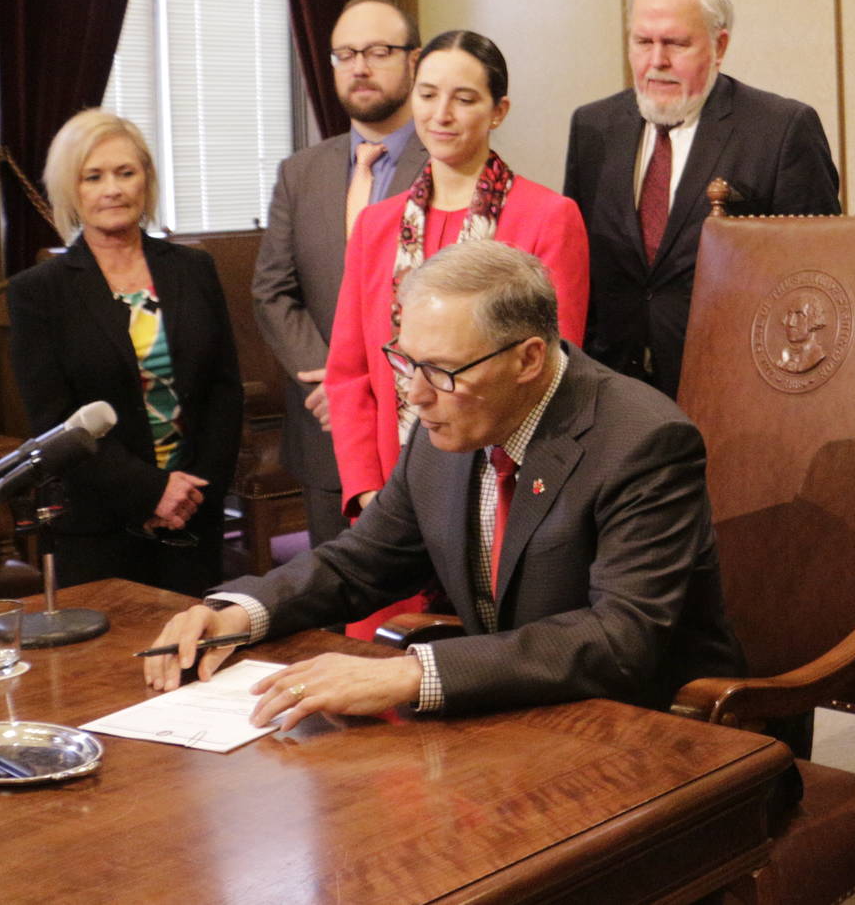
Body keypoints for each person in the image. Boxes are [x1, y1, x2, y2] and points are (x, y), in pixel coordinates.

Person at [144, 240, 744, 724]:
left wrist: (415, 671)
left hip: (652, 733)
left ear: (529, 359)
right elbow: (361, 562)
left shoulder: (642, 441)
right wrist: (239, 614)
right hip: (514, 722)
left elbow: (620, 640)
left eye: (440, 370)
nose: (414, 392)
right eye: (405, 361)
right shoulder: (451, 420)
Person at [326, 29, 588, 525]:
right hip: (390, 492)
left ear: (498, 111)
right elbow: (349, 372)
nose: (440, 115)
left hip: (504, 495)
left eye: (463, 99)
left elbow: (552, 374)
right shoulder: (375, 226)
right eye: (427, 95)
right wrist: (366, 492)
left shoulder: (549, 217)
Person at [564, 0, 841, 399]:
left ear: (719, 45)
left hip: (734, 390)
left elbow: (817, 278)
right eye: (643, 42)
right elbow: (580, 269)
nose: (657, 61)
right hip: (613, 389)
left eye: (676, 43)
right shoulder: (593, 128)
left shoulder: (780, 129)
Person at [8, 109, 244, 594]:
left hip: (195, 511)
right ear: (71, 190)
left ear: (146, 181)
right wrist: (152, 492)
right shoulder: (38, 292)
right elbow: (56, 422)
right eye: (92, 177)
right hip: (99, 523)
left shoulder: (194, 268)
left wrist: (192, 490)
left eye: (125, 172)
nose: (111, 189)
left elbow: (224, 390)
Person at [252, 0, 429, 548]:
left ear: (414, 62)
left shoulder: (447, 162)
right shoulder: (300, 172)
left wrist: (376, 382)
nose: (360, 67)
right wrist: (335, 381)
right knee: (334, 599)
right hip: (325, 424)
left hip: (422, 420)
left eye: (378, 51)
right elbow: (272, 290)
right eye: (345, 54)